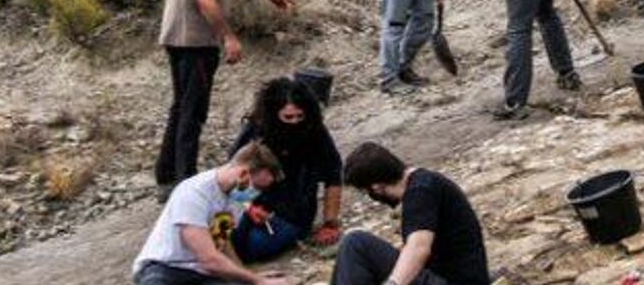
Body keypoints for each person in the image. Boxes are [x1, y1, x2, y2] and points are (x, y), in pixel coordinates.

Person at [158, 0, 298, 197]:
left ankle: (166, 173)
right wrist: (228, 37)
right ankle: (184, 182)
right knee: (192, 111)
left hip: (177, 38)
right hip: (195, 41)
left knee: (181, 106)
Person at [331, 143, 492, 285]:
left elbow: (418, 248)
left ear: (376, 187)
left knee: (356, 242)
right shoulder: (426, 184)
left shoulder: (420, 192)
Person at [134, 143, 291, 285]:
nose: (257, 194)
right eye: (257, 187)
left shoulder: (234, 199)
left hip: (200, 272)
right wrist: (257, 281)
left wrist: (246, 277)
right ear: (243, 174)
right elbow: (209, 259)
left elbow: (220, 242)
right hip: (165, 268)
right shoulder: (194, 193)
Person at [228, 78, 345, 263]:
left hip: (292, 215)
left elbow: (333, 173)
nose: (294, 122)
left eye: (299, 116)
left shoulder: (315, 131)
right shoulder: (257, 129)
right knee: (223, 240)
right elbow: (233, 170)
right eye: (288, 117)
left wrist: (330, 223)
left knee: (252, 247)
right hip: (250, 204)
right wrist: (248, 206)